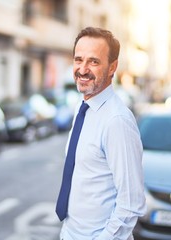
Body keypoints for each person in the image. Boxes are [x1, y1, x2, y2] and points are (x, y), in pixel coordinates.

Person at [55, 27, 146, 240]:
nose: (83, 69)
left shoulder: (117, 121)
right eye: (78, 60)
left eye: (93, 62)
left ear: (112, 67)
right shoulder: (83, 106)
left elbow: (131, 203)